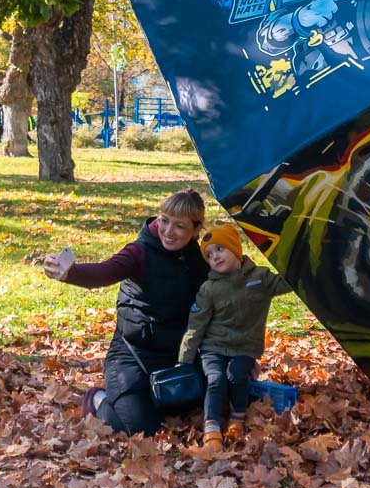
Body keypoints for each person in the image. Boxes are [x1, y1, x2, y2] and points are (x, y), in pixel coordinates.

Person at [41, 188, 210, 436]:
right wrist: (68, 273)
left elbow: (223, 297)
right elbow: (105, 271)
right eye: (164, 220)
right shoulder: (140, 252)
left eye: (179, 226)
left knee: (209, 399)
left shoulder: (199, 258)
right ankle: (97, 399)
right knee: (137, 427)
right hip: (132, 353)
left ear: (196, 230)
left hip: (176, 354)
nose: (168, 231)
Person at [178, 224, 293, 451]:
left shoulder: (260, 278)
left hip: (244, 347)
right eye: (209, 255)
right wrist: (184, 360)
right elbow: (196, 326)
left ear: (236, 249)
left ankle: (237, 420)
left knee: (237, 375)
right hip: (214, 346)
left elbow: (289, 283)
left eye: (220, 249)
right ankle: (211, 429)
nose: (215, 257)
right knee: (216, 378)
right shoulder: (209, 289)